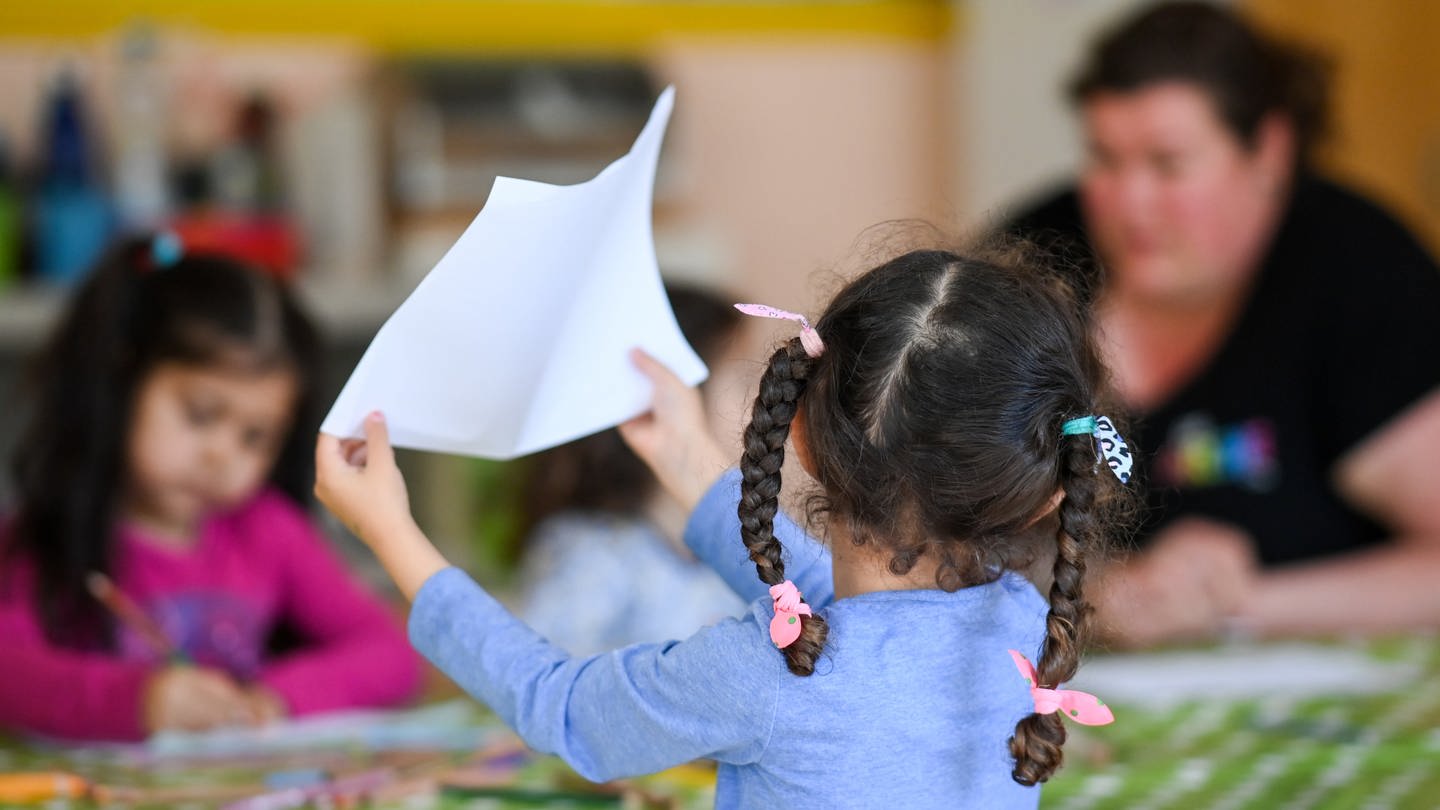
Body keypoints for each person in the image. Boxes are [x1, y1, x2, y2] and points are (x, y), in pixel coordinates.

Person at [316, 242, 1137, 805]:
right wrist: (685, 460)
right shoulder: (1021, 625)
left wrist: (393, 536)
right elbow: (868, 621)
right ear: (1042, 493)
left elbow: (566, 711)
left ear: (804, 435)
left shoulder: (765, 673)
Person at [1007, 1, 1440, 646]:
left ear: (1268, 152)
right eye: (1104, 158)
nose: (1130, 201)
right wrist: (1100, 590)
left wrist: (1236, 605)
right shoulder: (1036, 258)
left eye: (1167, 164)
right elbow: (945, 529)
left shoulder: (1360, 273)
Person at [0, 234, 422, 741]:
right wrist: (136, 701)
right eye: (200, 415)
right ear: (120, 379)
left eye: (256, 437)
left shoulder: (267, 530)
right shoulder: (44, 541)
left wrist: (278, 698)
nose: (221, 456)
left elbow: (393, 653)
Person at [514, 283, 746, 655]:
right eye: (741, 381)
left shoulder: (739, 553)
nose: (760, 402)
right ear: (664, 398)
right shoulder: (595, 555)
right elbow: (538, 685)